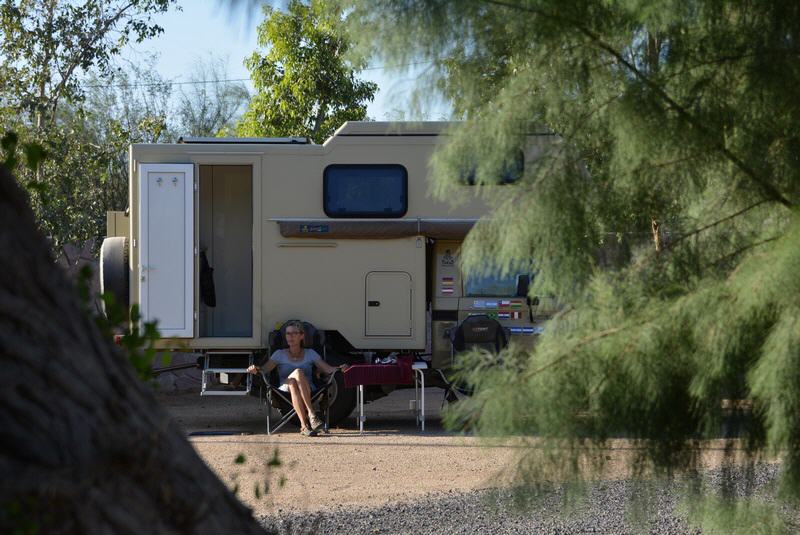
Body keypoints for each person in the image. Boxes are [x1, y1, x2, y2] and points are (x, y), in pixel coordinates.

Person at [247, 320, 346, 436]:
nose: (290, 336)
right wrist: (255, 368)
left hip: (307, 388)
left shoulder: (310, 353)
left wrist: (341, 367)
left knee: (294, 382)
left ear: (302, 336)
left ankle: (304, 426)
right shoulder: (279, 354)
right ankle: (311, 414)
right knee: (296, 374)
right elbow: (264, 369)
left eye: (294, 333)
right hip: (283, 390)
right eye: (288, 333)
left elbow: (328, 369)